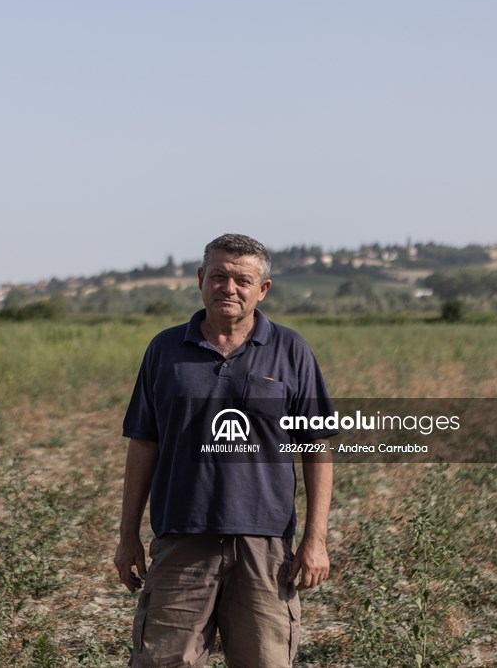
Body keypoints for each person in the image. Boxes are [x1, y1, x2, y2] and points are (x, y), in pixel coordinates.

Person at [114, 233, 337, 668]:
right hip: (182, 540)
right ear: (201, 279)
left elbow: (317, 448)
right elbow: (143, 443)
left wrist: (316, 539)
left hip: (266, 547)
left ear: (263, 289)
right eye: (218, 276)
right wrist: (127, 537)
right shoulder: (165, 350)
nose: (229, 288)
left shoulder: (291, 351)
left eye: (242, 279)